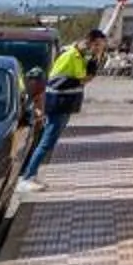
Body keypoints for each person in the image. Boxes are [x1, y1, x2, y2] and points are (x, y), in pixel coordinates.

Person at [24, 28, 105, 180]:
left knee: (48, 142)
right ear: (90, 42)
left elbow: (84, 77)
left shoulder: (79, 56)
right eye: (98, 45)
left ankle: (30, 175)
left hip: (65, 105)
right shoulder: (70, 56)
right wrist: (84, 78)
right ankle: (29, 176)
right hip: (58, 105)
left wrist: (92, 65)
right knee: (46, 142)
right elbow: (59, 81)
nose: (100, 49)